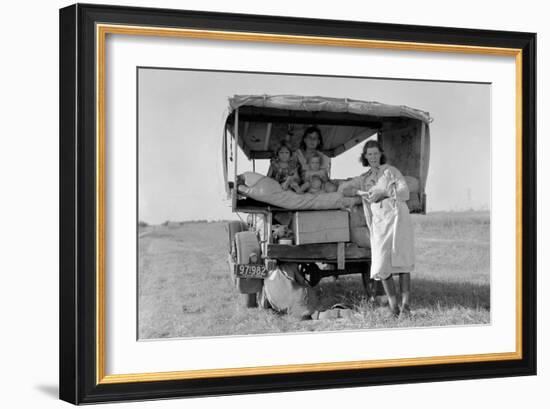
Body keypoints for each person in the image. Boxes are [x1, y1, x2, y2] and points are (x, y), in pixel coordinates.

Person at [343, 140, 414, 318]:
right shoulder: (364, 178)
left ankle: (405, 307)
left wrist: (385, 193)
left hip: (398, 217)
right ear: (365, 157)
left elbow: (405, 193)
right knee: (382, 263)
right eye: (370, 154)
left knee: (402, 259)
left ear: (380, 154)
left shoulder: (391, 171)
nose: (373, 157)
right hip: (380, 222)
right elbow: (344, 189)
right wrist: (361, 193)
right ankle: (393, 306)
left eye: (376, 153)